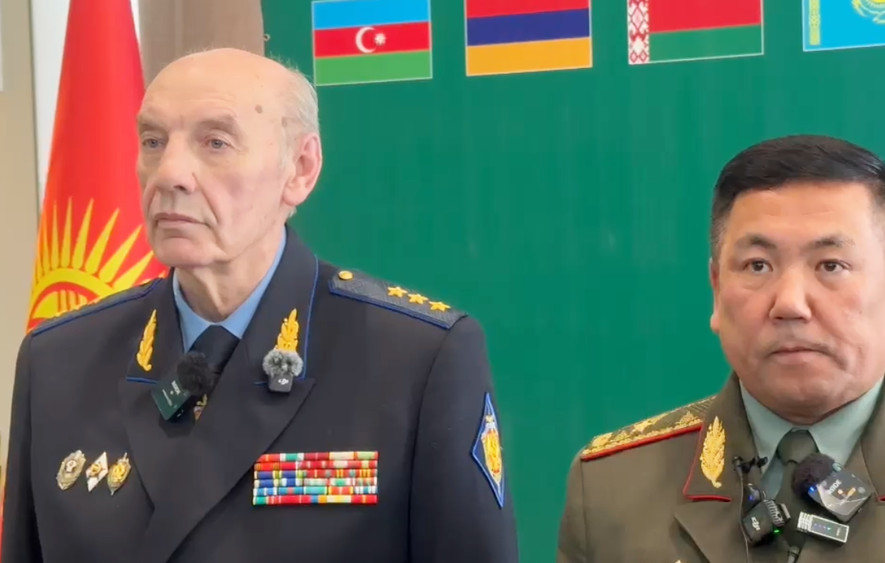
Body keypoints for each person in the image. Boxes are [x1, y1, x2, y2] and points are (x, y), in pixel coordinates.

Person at [2, 47, 518, 563]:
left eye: (216, 142)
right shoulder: (59, 361)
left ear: (300, 169)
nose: (170, 173)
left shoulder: (416, 360)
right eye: (153, 142)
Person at [556, 135, 885, 562]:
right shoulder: (609, 489)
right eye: (758, 265)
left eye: (831, 265)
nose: (789, 304)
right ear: (717, 291)